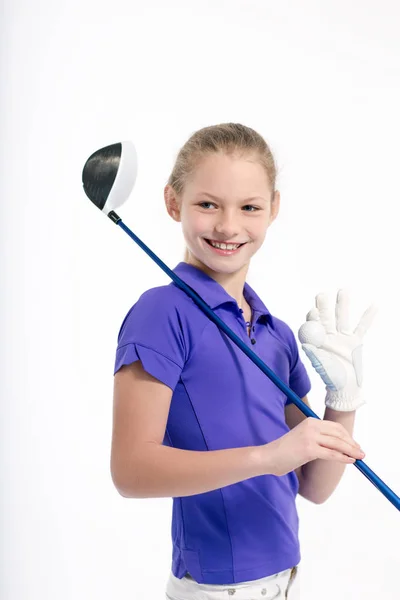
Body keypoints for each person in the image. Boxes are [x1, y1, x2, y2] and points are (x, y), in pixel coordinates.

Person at [110, 123, 375, 599]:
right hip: (216, 589)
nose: (229, 226)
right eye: (207, 204)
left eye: (249, 207)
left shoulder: (274, 334)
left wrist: (344, 401)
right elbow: (130, 471)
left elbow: (313, 485)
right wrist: (267, 458)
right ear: (173, 203)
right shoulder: (162, 313)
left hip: (284, 580)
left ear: (273, 208)